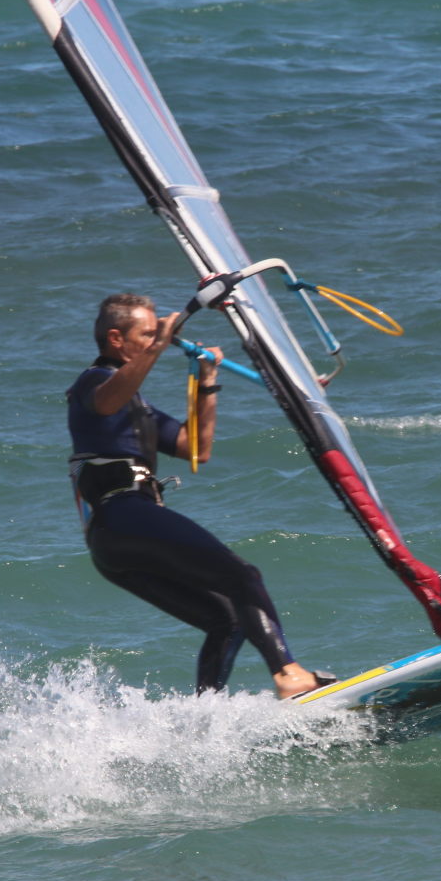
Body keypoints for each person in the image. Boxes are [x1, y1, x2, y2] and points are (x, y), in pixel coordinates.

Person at [66, 292, 327, 699]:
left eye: (156, 334)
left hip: (117, 538)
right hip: (122, 515)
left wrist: (207, 380)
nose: (157, 340)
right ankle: (289, 674)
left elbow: (195, 448)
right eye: (147, 334)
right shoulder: (94, 381)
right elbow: (107, 399)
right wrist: (157, 347)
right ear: (116, 339)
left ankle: (206, 714)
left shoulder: (136, 406)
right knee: (242, 576)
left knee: (228, 619)